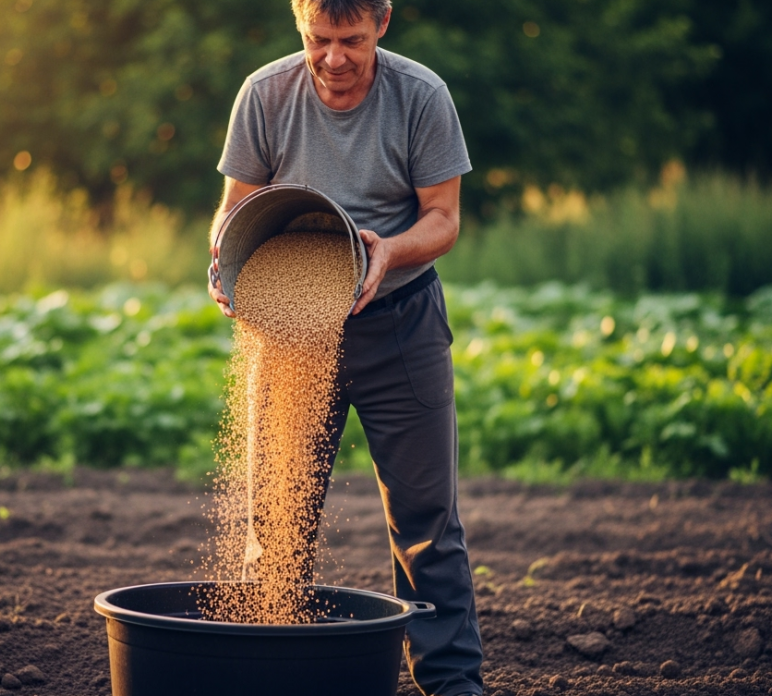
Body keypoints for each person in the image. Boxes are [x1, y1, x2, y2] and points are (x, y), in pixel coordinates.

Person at [206, 1, 484, 694]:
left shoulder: (420, 96)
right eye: (318, 39)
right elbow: (235, 207)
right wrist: (221, 255)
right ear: (298, 20)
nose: (333, 58)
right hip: (292, 331)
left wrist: (388, 250)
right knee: (278, 514)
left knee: (426, 518)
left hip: (399, 322)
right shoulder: (265, 94)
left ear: (383, 22)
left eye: (352, 40)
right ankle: (266, 667)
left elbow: (444, 219)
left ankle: (451, 680)